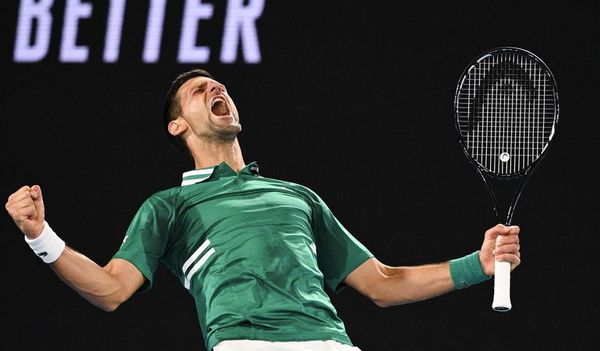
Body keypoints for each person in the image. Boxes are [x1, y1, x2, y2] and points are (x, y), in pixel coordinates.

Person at [5, 69, 521, 351]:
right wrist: (40, 235)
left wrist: (478, 266)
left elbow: (382, 284)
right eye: (198, 90)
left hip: (331, 344)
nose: (216, 88)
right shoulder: (170, 206)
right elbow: (111, 291)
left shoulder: (298, 196)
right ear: (177, 126)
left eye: (219, 85)